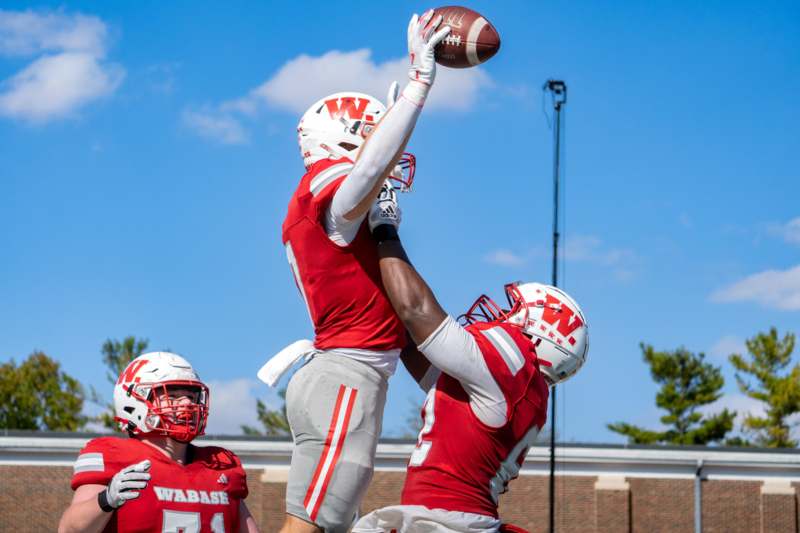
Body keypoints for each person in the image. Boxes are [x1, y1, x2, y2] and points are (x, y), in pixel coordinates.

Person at [261, 10, 451, 533]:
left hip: (353, 375)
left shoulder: (340, 216)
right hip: (346, 375)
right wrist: (419, 85)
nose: (386, 154)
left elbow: (402, 325)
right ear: (342, 143)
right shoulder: (328, 193)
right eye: (372, 135)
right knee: (310, 527)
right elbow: (365, 171)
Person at [351, 191, 589, 532]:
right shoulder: (518, 387)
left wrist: (385, 228)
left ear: (541, 333)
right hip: (454, 518)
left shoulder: (515, 364)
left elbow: (415, 311)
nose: (503, 316)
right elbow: (411, 341)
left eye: (514, 312)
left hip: (445, 522)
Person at [58, 352, 260, 533]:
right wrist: (106, 500)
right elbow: (69, 530)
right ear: (134, 401)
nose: (187, 404)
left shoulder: (219, 465)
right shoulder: (113, 455)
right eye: (172, 396)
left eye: (191, 396)